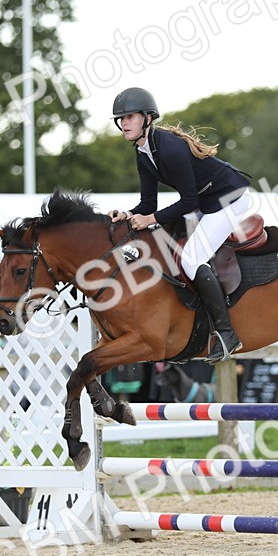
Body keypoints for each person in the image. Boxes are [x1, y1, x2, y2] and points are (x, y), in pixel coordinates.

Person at [106, 86, 252, 363]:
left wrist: (149, 220)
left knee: (190, 260)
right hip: (205, 205)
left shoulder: (170, 148)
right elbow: (147, 205)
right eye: (121, 119)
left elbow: (187, 201)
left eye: (130, 117)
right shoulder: (142, 152)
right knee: (168, 251)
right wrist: (128, 215)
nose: (124, 123)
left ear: (148, 118)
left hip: (228, 200)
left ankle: (227, 333)